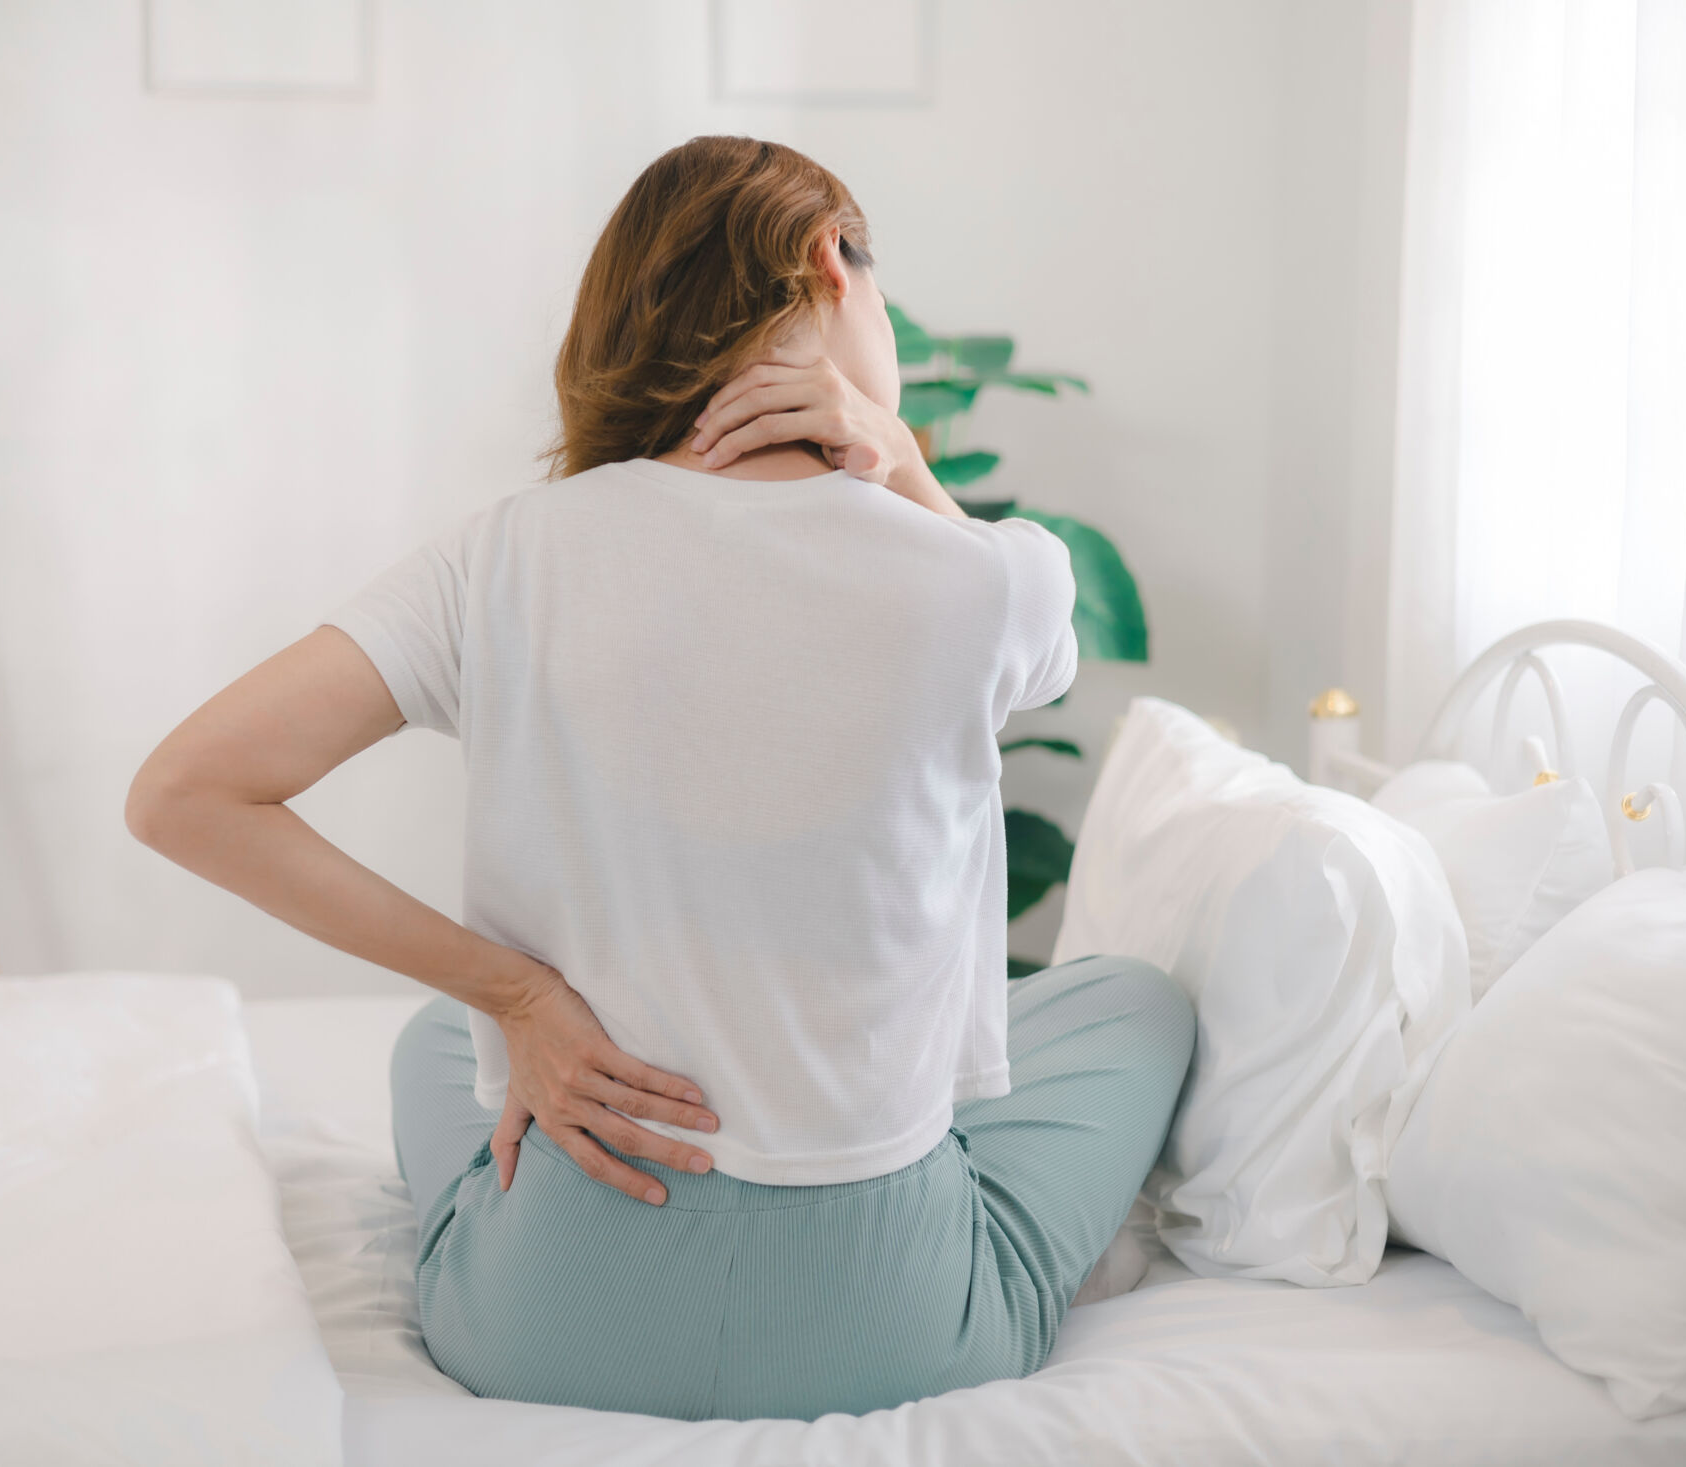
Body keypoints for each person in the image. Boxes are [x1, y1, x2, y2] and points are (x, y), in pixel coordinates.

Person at [127, 135, 1194, 1422]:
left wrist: (518, 997)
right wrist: (900, 458)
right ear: (831, 260)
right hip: (890, 1325)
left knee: (441, 1039)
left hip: (545, 1327)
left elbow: (182, 794)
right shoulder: (987, 581)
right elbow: (1045, 660)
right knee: (1136, 1005)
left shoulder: (503, 557)